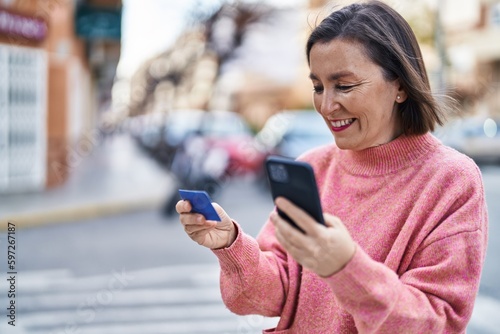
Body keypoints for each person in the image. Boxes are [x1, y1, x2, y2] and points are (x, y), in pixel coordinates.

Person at [176, 1, 489, 332]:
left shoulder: (452, 180)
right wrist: (231, 245)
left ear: (399, 84)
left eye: (345, 85)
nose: (326, 106)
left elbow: (437, 323)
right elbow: (270, 295)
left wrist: (345, 267)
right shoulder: (314, 166)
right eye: (317, 86)